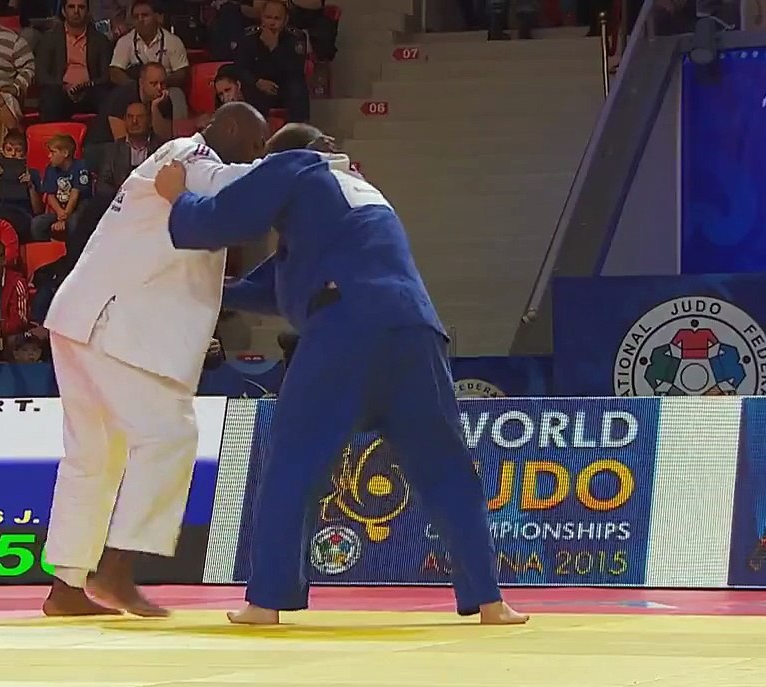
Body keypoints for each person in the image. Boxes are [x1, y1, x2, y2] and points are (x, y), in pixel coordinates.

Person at [154, 123, 528, 626]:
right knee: (447, 469)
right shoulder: (357, 194)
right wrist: (213, 293)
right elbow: (277, 288)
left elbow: (221, 219)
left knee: (293, 464)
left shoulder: (295, 165)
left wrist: (178, 199)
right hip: (416, 331)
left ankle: (266, 601)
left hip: (347, 330)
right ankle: (490, 601)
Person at [40, 102, 271, 617]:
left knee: (93, 457)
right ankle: (116, 569)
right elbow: (231, 185)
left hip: (86, 316)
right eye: (256, 144)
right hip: (113, 324)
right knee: (170, 436)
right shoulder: (189, 153)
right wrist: (298, 168)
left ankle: (66, 585)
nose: (258, 155)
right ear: (230, 127)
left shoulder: (179, 160)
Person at [28, 133, 91, 242]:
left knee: (74, 223)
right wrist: (60, 213)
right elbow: (50, 195)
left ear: (65, 153)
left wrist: (65, 216)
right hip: (59, 211)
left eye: (53, 152)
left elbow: (75, 195)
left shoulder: (81, 166)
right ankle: (48, 247)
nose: (49, 156)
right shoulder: (50, 168)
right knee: (37, 223)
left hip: (77, 209)